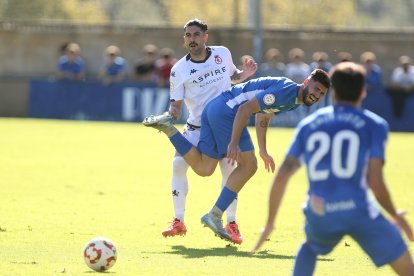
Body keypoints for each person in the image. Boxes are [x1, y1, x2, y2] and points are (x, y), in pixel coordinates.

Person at [251, 62, 414, 276]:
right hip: (359, 210)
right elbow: (375, 180)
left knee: (310, 246)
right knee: (405, 265)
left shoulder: (310, 124)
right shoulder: (375, 125)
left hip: (321, 211)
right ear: (363, 92)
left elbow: (282, 176)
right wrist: (395, 215)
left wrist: (270, 223)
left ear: (333, 92)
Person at [143, 69, 330, 243]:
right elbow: (244, 109)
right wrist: (233, 142)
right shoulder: (287, 91)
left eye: (322, 94)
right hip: (228, 112)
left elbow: (262, 116)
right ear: (306, 82)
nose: (317, 95)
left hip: (215, 109)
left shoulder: (294, 99)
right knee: (249, 166)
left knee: (204, 168)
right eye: (316, 89)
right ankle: (215, 215)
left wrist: (263, 150)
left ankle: (169, 129)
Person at [155, 18, 257, 244]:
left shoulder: (223, 53)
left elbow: (233, 76)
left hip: (223, 125)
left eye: (196, 35)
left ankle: (231, 223)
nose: (192, 39)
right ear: (184, 39)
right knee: (178, 165)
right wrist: (166, 116)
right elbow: (176, 107)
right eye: (188, 36)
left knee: (230, 171)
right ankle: (178, 221)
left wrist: (246, 73)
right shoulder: (178, 69)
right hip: (196, 127)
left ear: (205, 37)